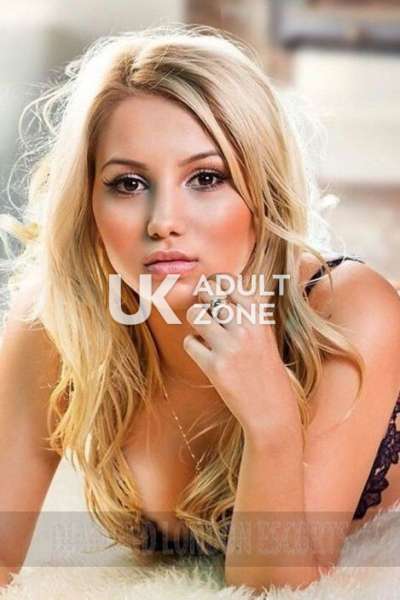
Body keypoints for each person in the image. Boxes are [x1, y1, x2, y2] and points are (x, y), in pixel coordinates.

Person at [1, 23, 400, 594]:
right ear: (88, 201)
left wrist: (271, 421)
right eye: (129, 183)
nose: (164, 221)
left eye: (206, 178)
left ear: (261, 193)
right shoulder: (53, 321)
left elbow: (278, 588)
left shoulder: (347, 313)